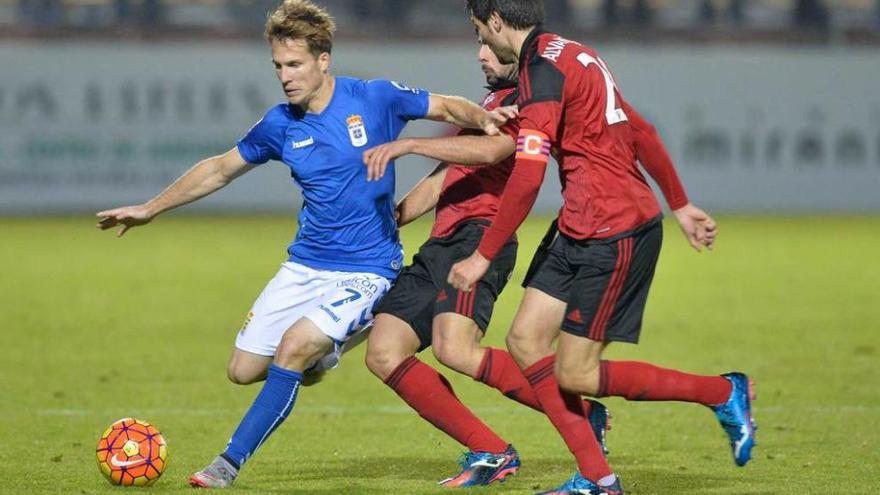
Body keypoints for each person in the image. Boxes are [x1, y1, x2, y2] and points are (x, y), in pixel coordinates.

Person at [95, 0, 509, 488]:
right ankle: (324, 352)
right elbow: (220, 168)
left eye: (294, 64)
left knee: (292, 349)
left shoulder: (373, 98)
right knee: (243, 370)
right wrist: (151, 208)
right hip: (305, 265)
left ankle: (226, 464)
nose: (285, 76)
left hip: (368, 267)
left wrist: (483, 121)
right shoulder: (280, 124)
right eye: (278, 66)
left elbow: (446, 105)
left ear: (323, 60)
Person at [447, 1, 755, 493]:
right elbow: (640, 129)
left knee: (577, 373)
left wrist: (483, 254)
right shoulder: (574, 54)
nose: (480, 41)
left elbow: (527, 178)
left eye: (479, 29)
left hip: (615, 231)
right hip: (578, 224)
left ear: (498, 22)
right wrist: (679, 203)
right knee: (525, 341)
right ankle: (598, 479)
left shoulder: (541, 71)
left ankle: (722, 391)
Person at [362, 40, 611, 488]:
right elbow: (444, 179)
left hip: (481, 237)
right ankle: (490, 450)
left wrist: (410, 144)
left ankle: (581, 409)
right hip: (440, 245)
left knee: (454, 348)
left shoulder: (527, 102)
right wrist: (390, 221)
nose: (480, 54)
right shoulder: (490, 102)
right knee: (383, 353)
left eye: (489, 46)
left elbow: (492, 152)